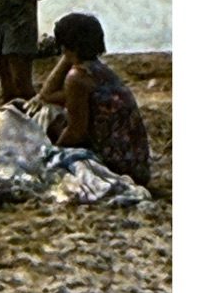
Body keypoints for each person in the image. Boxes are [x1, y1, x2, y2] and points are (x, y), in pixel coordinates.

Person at [36, 13, 151, 186]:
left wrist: (52, 156)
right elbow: (47, 96)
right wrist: (68, 57)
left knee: (51, 134)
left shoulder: (78, 78)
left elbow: (76, 132)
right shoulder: (97, 70)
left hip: (117, 164)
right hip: (135, 162)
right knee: (51, 114)